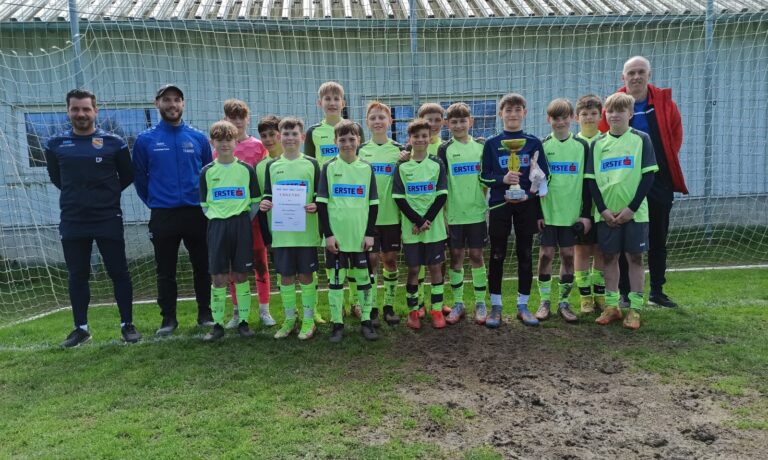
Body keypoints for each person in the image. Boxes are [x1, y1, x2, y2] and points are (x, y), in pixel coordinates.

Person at [45, 89, 140, 347]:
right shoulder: (55, 144)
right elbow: (57, 178)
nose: (81, 114)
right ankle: (81, 329)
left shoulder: (114, 143)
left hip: (107, 218)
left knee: (118, 272)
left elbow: (127, 175)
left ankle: (127, 325)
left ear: (95, 111)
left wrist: (106, 195)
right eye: (75, 109)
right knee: (77, 274)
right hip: (73, 220)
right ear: (68, 111)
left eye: (86, 109)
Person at [599, 56, 687, 308]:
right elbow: (605, 140)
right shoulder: (613, 105)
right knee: (623, 237)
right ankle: (625, 293)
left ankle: (657, 291)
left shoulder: (665, 103)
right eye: (631, 73)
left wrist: (658, 163)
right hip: (624, 183)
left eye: (641, 72)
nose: (636, 77)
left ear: (649, 74)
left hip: (658, 180)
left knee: (658, 237)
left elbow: (675, 137)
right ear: (623, 77)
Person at [133, 84, 213, 335]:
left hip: (196, 213)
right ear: (157, 104)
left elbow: (209, 175)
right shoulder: (145, 140)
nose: (172, 104)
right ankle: (168, 319)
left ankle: (205, 313)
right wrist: (155, 201)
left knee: (203, 266)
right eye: (166, 100)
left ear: (183, 104)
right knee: (165, 270)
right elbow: (140, 178)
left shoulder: (198, 138)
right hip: (163, 214)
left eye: (177, 100)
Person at [587, 92, 658, 330]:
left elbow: (648, 177)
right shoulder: (597, 144)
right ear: (605, 114)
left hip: (635, 214)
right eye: (610, 111)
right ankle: (612, 306)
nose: (614, 115)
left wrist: (631, 208)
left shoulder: (641, 139)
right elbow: (591, 181)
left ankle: (635, 309)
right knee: (609, 257)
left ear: (630, 114)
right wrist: (603, 210)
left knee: (635, 258)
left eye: (620, 110)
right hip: (606, 214)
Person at [480, 93, 549, 328]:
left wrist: (529, 194)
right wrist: (503, 179)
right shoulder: (492, 143)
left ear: (525, 113)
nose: (513, 114)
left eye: (517, 109)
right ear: (500, 114)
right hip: (500, 204)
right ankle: (496, 306)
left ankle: (523, 305)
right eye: (508, 110)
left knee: (525, 254)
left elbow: (543, 177)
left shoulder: (533, 143)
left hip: (526, 205)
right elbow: (484, 176)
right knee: (497, 254)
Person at [259, 117, 321, 340]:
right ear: (279, 137)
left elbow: (319, 196)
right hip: (282, 234)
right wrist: (265, 203)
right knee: (285, 277)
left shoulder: (312, 164)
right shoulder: (272, 166)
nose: (290, 138)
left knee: (305, 275)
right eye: (286, 134)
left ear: (302, 137)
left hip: (306, 234)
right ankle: (289, 319)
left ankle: (308, 320)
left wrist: (316, 204)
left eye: (294, 134)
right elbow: (268, 194)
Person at [216, 100, 276, 329]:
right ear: (226, 119)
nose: (237, 121)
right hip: (232, 218)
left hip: (255, 217)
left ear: (247, 119)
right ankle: (237, 312)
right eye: (233, 117)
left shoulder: (259, 146)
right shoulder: (219, 150)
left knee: (260, 263)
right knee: (235, 267)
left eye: (241, 116)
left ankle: (264, 309)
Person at [317, 120, 379, 342]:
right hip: (337, 238)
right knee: (336, 281)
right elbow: (322, 204)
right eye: (342, 140)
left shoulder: (367, 168)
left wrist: (370, 233)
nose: (347, 143)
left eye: (351, 139)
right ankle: (337, 324)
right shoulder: (329, 167)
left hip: (360, 236)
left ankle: (366, 322)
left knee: (363, 279)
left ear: (359, 140)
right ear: (335, 141)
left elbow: (373, 204)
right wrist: (328, 235)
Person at [199, 120, 261, 341]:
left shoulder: (246, 169)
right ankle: (217, 325)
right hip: (217, 226)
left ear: (236, 142)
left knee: (241, 275)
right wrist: (220, 217)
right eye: (220, 140)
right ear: (212, 142)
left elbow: (255, 202)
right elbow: (204, 205)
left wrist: (240, 219)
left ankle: (243, 321)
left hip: (241, 225)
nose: (224, 144)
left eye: (229, 139)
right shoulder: (207, 171)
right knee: (218, 277)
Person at [534, 99, 591, 323]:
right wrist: (538, 213)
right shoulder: (542, 146)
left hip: (571, 214)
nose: (560, 122)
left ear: (572, 118)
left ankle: (564, 302)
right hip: (548, 213)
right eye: (555, 118)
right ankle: (544, 301)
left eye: (564, 117)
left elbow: (587, 182)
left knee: (568, 256)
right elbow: (535, 182)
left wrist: (585, 214)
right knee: (545, 255)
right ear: (549, 120)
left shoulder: (581, 146)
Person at [392, 119, 449, 330]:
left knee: (435, 268)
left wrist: (426, 221)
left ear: (430, 138)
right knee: (414, 269)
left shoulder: (437, 163)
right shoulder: (402, 166)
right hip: (411, 228)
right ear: (409, 139)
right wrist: (417, 221)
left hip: (433, 228)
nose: (420, 139)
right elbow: (399, 198)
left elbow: (442, 195)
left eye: (424, 136)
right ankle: (413, 312)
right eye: (416, 136)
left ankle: (436, 310)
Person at [436, 102, 489, 325]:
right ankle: (458, 303)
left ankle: (480, 303)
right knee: (456, 257)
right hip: (454, 215)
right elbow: (442, 184)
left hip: (476, 214)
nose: (459, 125)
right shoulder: (444, 149)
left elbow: (485, 180)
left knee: (476, 256)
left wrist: (481, 202)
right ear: (447, 124)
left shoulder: (481, 147)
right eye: (454, 122)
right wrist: (444, 215)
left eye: (463, 121)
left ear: (471, 122)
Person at [358, 101, 404, 327]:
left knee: (390, 260)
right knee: (371, 261)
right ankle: (372, 308)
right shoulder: (360, 151)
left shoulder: (400, 151)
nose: (377, 121)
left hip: (392, 217)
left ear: (390, 121)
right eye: (373, 118)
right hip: (369, 218)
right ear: (367, 122)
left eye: (381, 117)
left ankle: (389, 306)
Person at [305, 81, 347, 323]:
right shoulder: (314, 132)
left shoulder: (352, 128)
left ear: (343, 103)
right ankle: (331, 302)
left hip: (348, 199)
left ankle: (354, 302)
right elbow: (310, 167)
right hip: (324, 200)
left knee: (351, 246)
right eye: (327, 98)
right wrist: (314, 197)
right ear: (319, 102)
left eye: (336, 98)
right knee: (329, 248)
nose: (332, 103)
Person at [574, 94, 607, 314]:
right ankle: (585, 297)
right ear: (577, 117)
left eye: (593, 113)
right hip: (579, 209)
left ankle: (600, 295)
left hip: (602, 208)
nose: (589, 118)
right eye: (584, 114)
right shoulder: (573, 143)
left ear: (600, 116)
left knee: (602, 251)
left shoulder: (606, 141)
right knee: (582, 251)